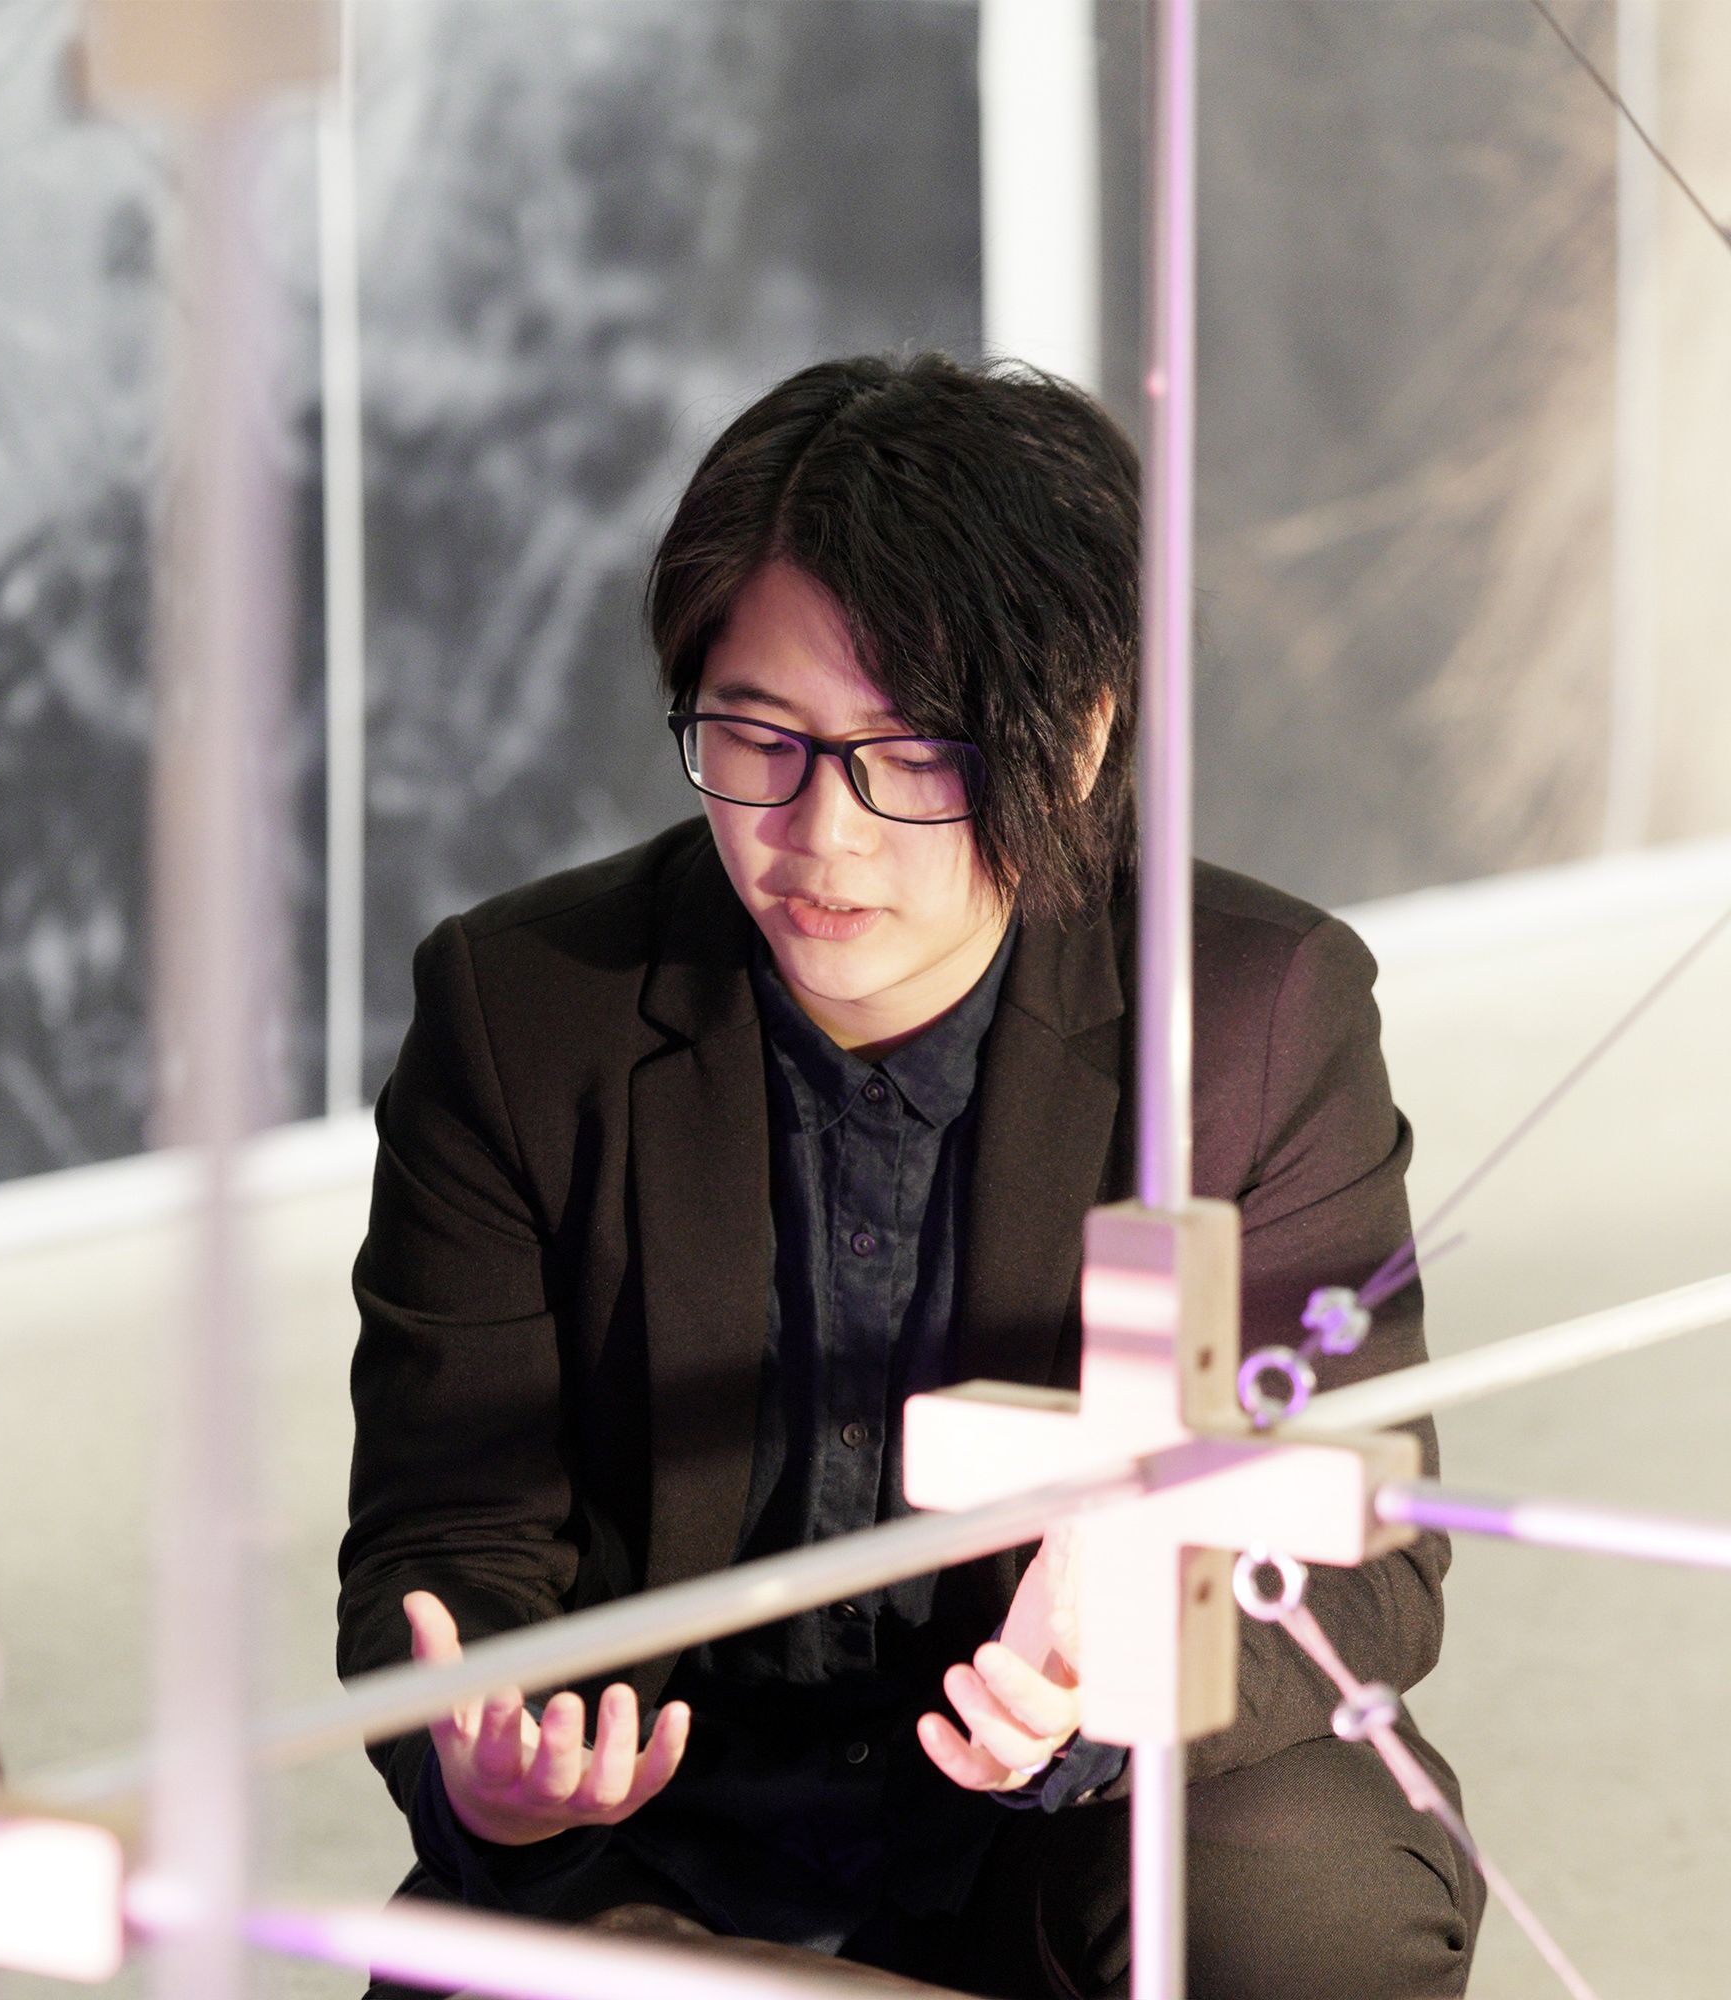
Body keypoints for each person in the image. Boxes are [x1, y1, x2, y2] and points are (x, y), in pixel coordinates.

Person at [336, 353, 1484, 1998]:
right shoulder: (525, 1015)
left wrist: (1116, 1677)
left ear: (1077, 738)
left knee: (1303, 1902)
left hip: (1073, 1814)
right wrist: (488, 1756)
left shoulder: (1248, 1011)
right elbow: (445, 1538)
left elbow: (1367, 1551)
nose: (826, 836)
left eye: (914, 753)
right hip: (673, 1831)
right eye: (759, 738)